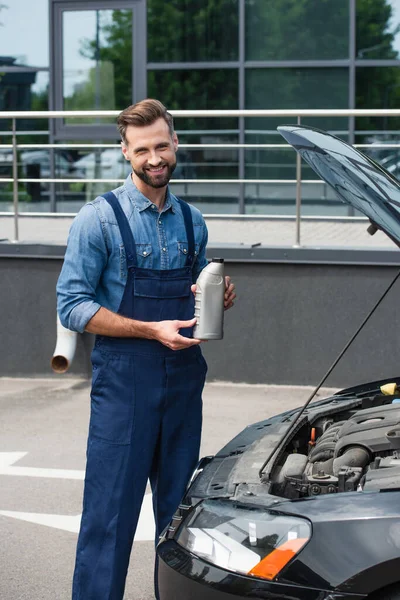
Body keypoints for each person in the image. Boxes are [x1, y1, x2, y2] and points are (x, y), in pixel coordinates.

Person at [56, 98, 236, 600]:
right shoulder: (99, 220)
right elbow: (71, 306)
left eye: (161, 146)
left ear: (175, 143)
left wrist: (218, 295)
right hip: (124, 384)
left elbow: (194, 296)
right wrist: (148, 329)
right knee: (109, 516)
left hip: (182, 381)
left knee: (181, 520)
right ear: (125, 152)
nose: (154, 158)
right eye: (142, 150)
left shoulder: (193, 221)